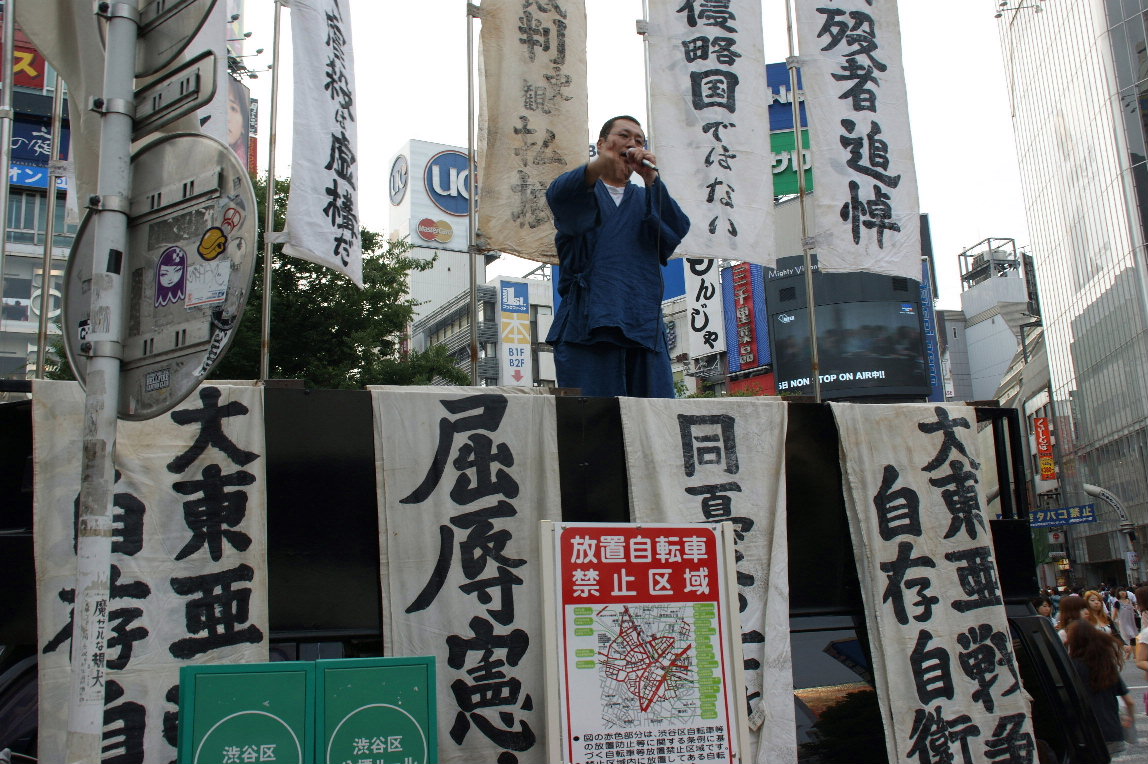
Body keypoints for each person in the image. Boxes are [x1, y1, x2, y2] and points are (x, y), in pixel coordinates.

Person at [545, 115, 690, 398]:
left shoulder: (647, 196)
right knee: (594, 422)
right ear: (602, 143)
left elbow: (676, 229)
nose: (633, 144)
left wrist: (652, 180)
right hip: (587, 323)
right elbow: (559, 195)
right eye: (624, 136)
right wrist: (600, 165)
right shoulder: (583, 190)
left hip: (643, 323)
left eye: (639, 140)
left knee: (652, 421)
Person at [1064, 620, 1135, 755]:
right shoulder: (1106, 666)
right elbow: (1130, 701)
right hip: (1111, 731)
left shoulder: (1071, 666)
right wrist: (1129, 718)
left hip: (1086, 732)